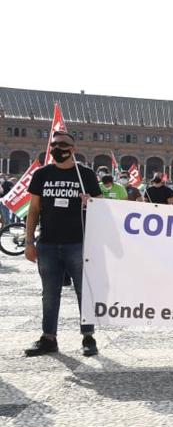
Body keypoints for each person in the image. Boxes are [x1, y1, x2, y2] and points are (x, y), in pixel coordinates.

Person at [23, 131, 103, 357]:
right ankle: (49, 338)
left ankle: (88, 337)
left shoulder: (85, 175)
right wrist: (29, 242)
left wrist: (91, 203)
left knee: (83, 292)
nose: (58, 148)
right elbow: (34, 209)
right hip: (47, 243)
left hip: (78, 244)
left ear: (73, 149)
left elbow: (102, 207)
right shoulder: (42, 174)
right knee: (49, 294)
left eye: (63, 144)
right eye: (54, 144)